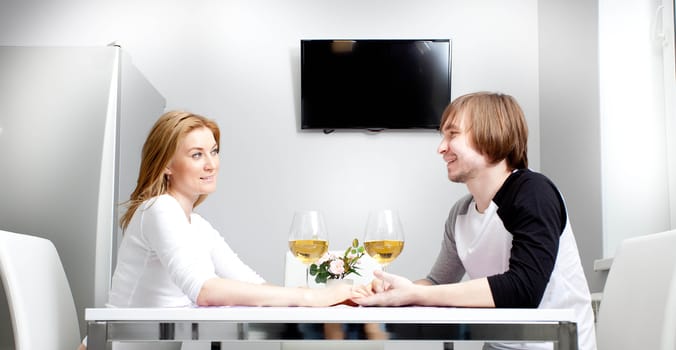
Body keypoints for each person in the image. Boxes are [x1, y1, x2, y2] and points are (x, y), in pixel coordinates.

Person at [79, 111, 360, 350]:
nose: (211, 164)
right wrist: (309, 298)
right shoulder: (159, 208)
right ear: (166, 165)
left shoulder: (197, 226)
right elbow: (204, 290)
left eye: (213, 151)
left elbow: (253, 283)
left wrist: (318, 297)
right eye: (196, 154)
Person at [352, 92, 597, 350]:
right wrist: (396, 292)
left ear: (492, 133)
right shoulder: (460, 213)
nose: (441, 148)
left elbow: (523, 291)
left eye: (453, 134)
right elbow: (437, 283)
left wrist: (417, 294)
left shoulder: (533, 192)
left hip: (554, 345)